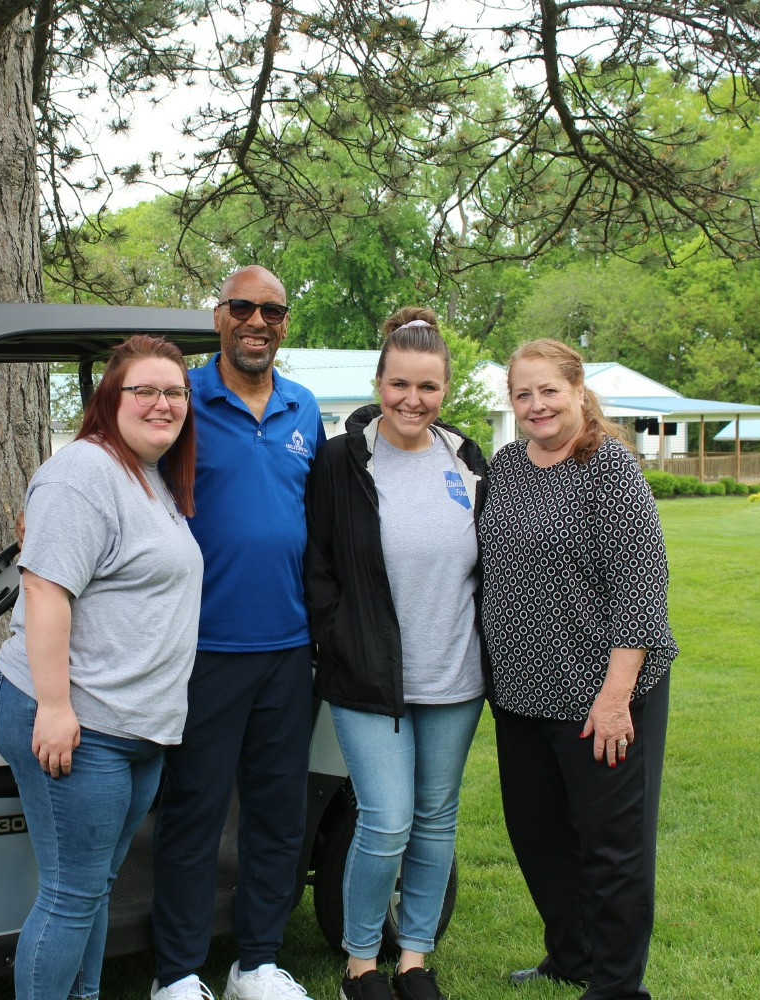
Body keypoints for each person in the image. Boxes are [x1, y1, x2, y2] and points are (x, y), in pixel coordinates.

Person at [0, 335, 204, 1000]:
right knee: (73, 890)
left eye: (174, 392)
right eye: (145, 390)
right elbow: (46, 590)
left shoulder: (146, 476)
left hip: (135, 725)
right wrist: (54, 707)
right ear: (110, 399)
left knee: (94, 887)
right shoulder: (83, 473)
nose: (162, 403)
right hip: (78, 719)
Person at [478, 338, 678, 1000]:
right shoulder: (506, 466)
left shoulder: (610, 470)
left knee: (610, 849)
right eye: (523, 394)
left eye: (549, 391)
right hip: (522, 696)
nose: (537, 405)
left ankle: (618, 986)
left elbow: (642, 591)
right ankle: (570, 956)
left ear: (578, 391)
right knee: (538, 837)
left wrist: (616, 696)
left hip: (602, 694)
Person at [303, 308, 490, 1000]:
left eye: (429, 387)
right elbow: (316, 562)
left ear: (446, 391)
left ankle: (414, 960)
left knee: (437, 821)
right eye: (400, 384)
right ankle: (361, 965)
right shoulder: (339, 461)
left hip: (455, 677)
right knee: (385, 820)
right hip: (367, 679)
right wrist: (338, 636)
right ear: (378, 382)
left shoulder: (467, 459)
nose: (413, 399)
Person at [150, 265, 326, 1000]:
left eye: (273, 312)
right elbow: (116, 462)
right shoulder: (181, 397)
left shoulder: (303, 406)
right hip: (203, 650)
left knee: (278, 814)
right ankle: (178, 974)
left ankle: (256, 962)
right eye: (244, 307)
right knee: (193, 814)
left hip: (288, 650)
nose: (258, 322)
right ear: (219, 315)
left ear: (286, 324)